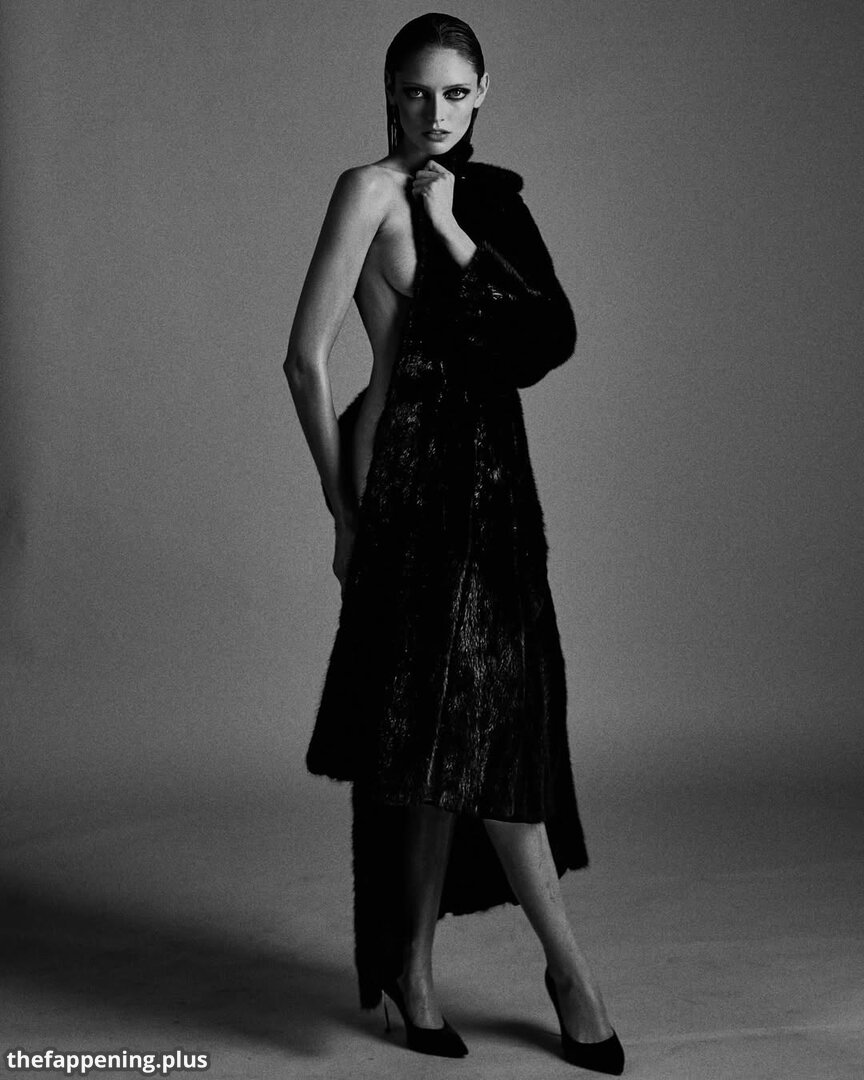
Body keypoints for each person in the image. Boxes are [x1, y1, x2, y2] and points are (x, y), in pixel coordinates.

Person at [283, 12, 624, 1075]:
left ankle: (416, 973)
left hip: (499, 501)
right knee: (468, 741)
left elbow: (546, 339)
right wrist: (343, 513)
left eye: (456, 94)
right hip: (414, 499)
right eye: (416, 92)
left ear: (485, 93)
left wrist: (457, 229)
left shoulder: (489, 201)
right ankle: (570, 976)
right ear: (388, 92)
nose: (435, 113)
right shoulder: (366, 190)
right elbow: (303, 361)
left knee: (455, 742)